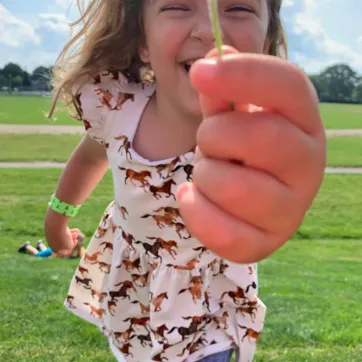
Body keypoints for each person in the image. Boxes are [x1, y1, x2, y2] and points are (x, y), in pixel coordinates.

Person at [45, 0, 326, 361]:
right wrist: (59, 215)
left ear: (266, 43)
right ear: (143, 41)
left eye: (239, 8)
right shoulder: (118, 110)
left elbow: (276, 192)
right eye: (177, 6)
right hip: (131, 298)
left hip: (210, 314)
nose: (210, 30)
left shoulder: (251, 135)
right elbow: (91, 155)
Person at [18, 230, 85, 259]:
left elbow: (84, 255)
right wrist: (50, 258)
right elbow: (57, 255)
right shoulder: (67, 248)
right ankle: (27, 246)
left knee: (45, 251)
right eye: (79, 240)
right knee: (38, 254)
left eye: (81, 241)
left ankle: (40, 244)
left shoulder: (81, 250)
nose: (80, 243)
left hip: (51, 250)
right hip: (52, 252)